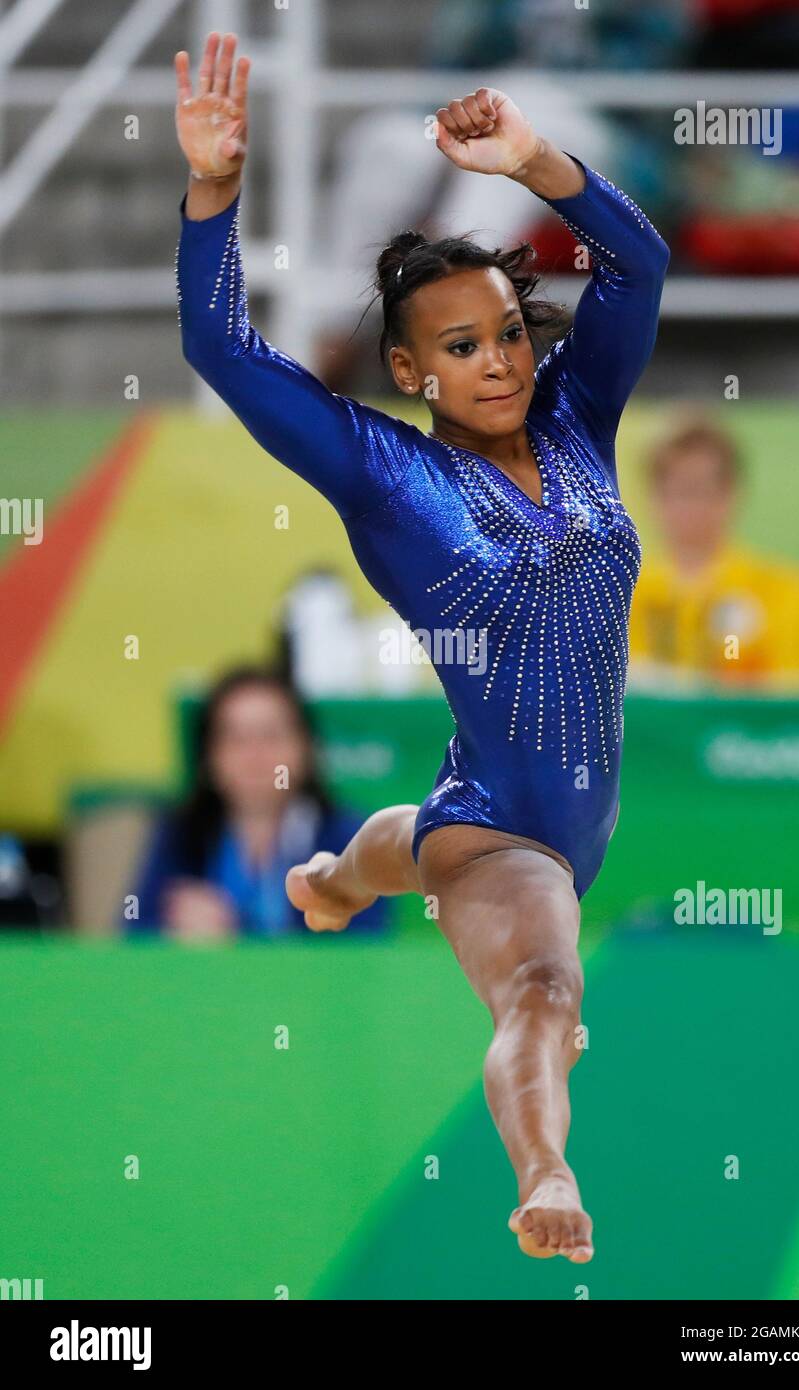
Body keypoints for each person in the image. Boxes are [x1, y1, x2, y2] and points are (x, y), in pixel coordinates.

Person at [174, 32, 669, 1262]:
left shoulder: (577, 423)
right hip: (514, 832)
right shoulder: (381, 470)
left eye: (506, 332)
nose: (495, 361)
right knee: (543, 992)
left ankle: (342, 876)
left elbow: (636, 262)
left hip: (517, 807)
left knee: (421, 840)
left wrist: (534, 162)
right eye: (459, 348)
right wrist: (213, 194)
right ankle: (543, 1165)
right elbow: (221, 351)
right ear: (410, 370)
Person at [127, 667, 388, 938]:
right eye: (236, 739)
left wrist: (235, 934)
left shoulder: (349, 839)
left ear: (306, 748)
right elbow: (133, 942)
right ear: (209, 757)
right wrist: (171, 931)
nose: (255, 756)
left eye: (271, 736)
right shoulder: (180, 834)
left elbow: (364, 951)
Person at [629, 420, 799, 688]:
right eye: (673, 490)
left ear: (730, 493)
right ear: (653, 497)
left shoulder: (789, 593)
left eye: (699, 489)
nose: (686, 506)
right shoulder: (624, 595)